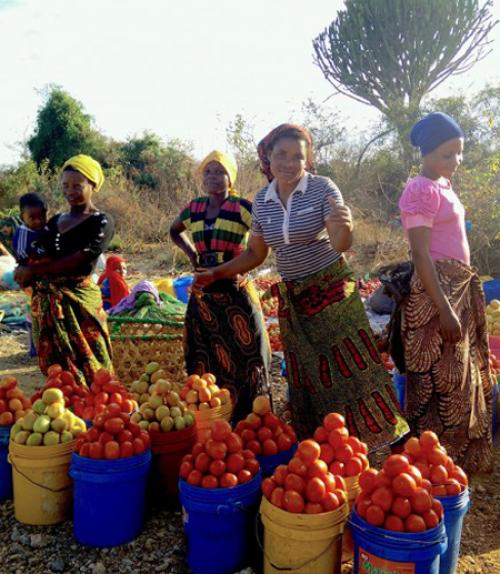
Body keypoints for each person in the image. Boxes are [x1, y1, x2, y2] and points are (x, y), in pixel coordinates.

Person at [194, 125, 409, 449]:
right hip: (295, 299)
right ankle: (323, 447)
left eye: (298, 156)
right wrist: (219, 272)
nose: (289, 162)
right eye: (282, 154)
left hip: (333, 294)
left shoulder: (323, 188)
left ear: (308, 160)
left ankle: (386, 444)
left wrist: (346, 229)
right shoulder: (263, 201)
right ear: (268, 156)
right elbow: (256, 253)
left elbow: (339, 242)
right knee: (309, 377)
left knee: (354, 371)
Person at [399, 112, 493, 473]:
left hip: (458, 289)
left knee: (460, 374)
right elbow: (421, 254)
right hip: (436, 295)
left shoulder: (442, 186)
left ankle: (455, 463)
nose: (456, 161)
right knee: (441, 378)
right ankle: (433, 464)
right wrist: (445, 309)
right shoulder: (420, 189)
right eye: (447, 154)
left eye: (459, 153)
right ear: (425, 154)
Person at [170, 150, 271, 422]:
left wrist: (237, 262)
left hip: (235, 291)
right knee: (203, 350)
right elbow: (174, 230)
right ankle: (211, 411)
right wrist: (192, 256)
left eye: (220, 172)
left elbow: (262, 242)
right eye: (208, 172)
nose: (214, 177)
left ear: (231, 177)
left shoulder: (242, 207)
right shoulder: (195, 208)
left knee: (247, 351)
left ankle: (250, 414)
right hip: (204, 293)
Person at [14, 154, 114, 386]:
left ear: (93, 186)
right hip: (48, 303)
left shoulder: (102, 221)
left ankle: (99, 409)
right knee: (57, 369)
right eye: (65, 185)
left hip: (80, 302)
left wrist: (35, 272)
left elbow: (80, 259)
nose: (70, 191)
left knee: (95, 366)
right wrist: (23, 268)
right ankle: (65, 407)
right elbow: (36, 250)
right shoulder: (54, 220)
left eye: (77, 186)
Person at [12, 192, 49, 265]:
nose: (38, 221)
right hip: (30, 267)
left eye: (41, 217)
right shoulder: (22, 233)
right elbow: (21, 253)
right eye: (32, 218)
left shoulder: (47, 228)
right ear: (22, 217)